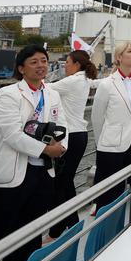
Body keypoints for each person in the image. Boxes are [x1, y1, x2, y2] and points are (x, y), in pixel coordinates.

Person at [0, 45, 67, 261]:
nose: (41, 65)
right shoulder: (9, 94)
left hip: (42, 172)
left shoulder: (52, 94)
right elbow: (12, 135)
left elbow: (63, 125)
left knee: (32, 231)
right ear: (21, 69)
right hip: (13, 174)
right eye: (33, 62)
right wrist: (47, 150)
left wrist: (62, 146)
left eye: (44, 60)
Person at [91, 41, 131, 212]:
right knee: (109, 192)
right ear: (119, 57)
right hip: (111, 146)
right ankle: (108, 227)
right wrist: (102, 141)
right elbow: (97, 117)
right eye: (130, 51)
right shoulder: (107, 84)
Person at [46, 49, 98, 239]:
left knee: (60, 184)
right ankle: (71, 223)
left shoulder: (73, 81)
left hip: (71, 136)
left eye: (66, 63)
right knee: (65, 182)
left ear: (76, 64)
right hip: (78, 135)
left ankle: (59, 228)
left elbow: (44, 88)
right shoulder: (82, 79)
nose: (64, 66)